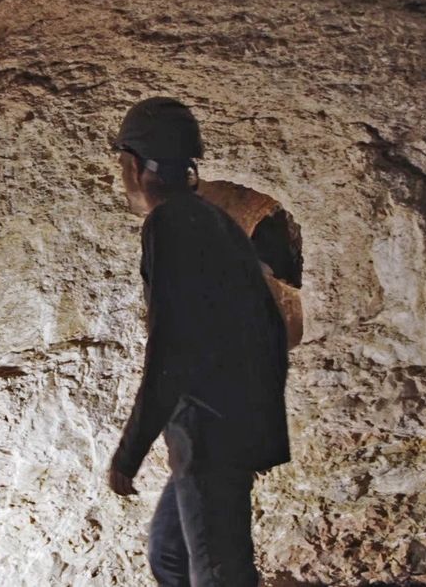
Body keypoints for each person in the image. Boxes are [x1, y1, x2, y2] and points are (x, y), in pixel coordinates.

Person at [105, 97, 291, 587]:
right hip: (223, 427)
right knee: (170, 556)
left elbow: (171, 348)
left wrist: (131, 451)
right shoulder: (212, 220)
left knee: (218, 573)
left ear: (136, 166)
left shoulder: (169, 225)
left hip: (211, 432)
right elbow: (269, 327)